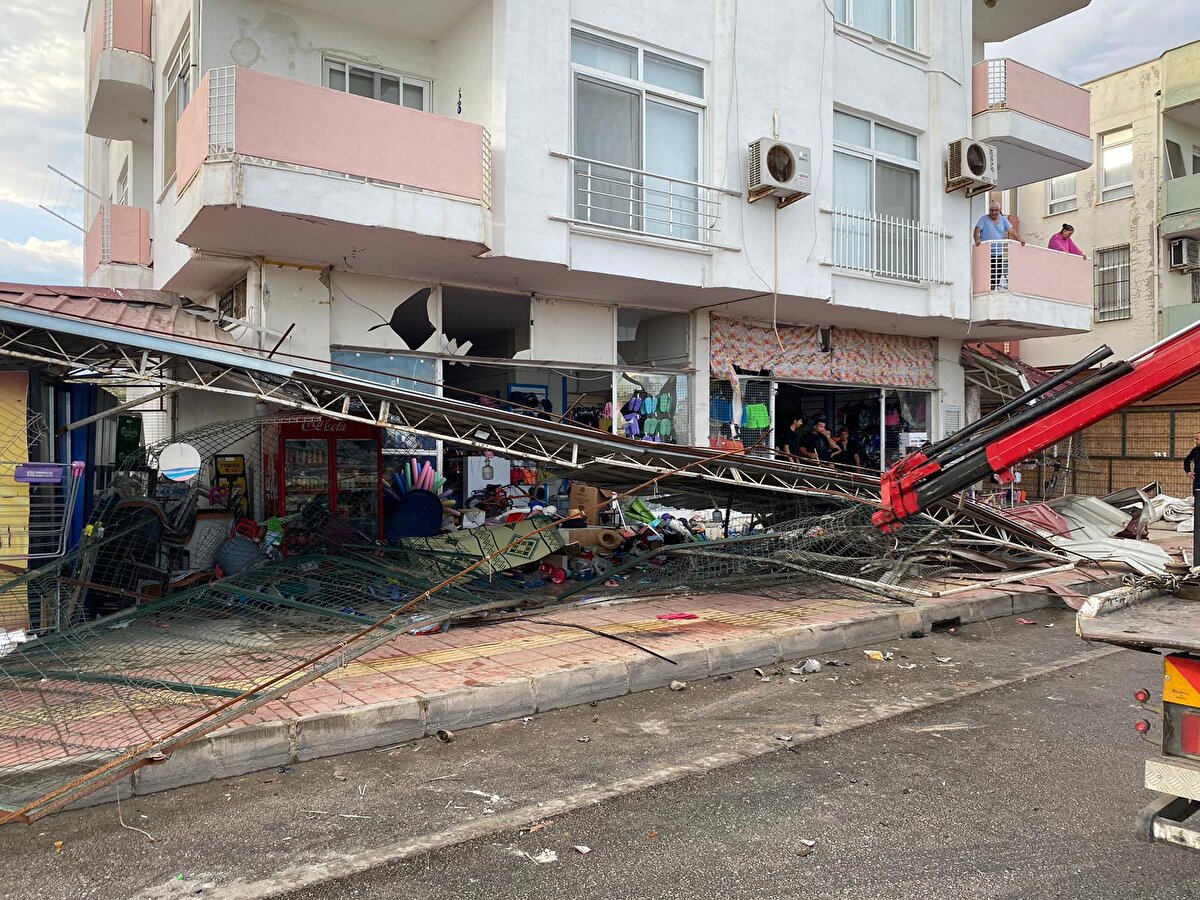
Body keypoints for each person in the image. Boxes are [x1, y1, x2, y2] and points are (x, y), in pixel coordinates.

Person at [973, 201, 1024, 289]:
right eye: (992, 210)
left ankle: (993, 290)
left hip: (998, 253)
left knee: (997, 275)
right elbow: (977, 230)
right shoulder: (983, 219)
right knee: (988, 275)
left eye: (996, 210)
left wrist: (1019, 239)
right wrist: (977, 239)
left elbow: (1011, 230)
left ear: (999, 210)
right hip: (986, 252)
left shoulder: (1003, 219)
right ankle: (989, 290)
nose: (994, 212)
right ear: (989, 210)